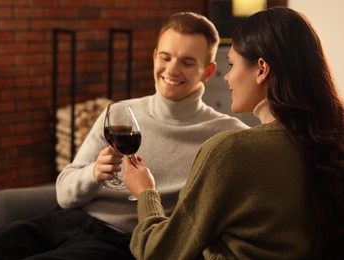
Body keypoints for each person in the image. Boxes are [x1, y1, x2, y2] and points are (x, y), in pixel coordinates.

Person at [0, 12, 249, 259]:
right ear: (154, 57)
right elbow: (64, 191)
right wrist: (93, 173)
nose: (171, 69)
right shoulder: (119, 112)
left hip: (120, 242)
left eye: (187, 62)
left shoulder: (226, 135)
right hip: (65, 221)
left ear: (207, 72)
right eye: (165, 57)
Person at [123, 6, 344, 260]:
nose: (227, 77)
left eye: (232, 64)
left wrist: (145, 193)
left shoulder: (230, 151)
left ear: (261, 69)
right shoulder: (330, 139)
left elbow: (157, 252)